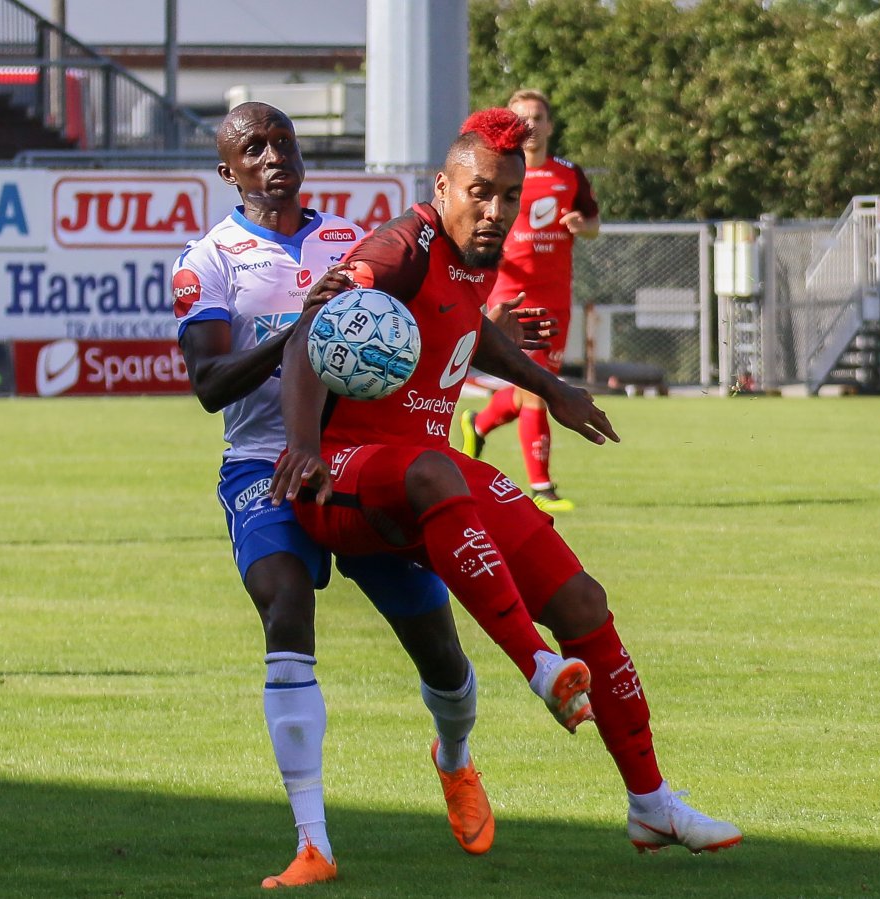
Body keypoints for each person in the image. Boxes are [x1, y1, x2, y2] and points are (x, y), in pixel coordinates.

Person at [273, 108, 742, 854]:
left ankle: (652, 803)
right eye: (481, 192)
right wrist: (301, 443)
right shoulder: (398, 248)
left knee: (583, 600)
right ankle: (539, 665)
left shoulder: (475, 255)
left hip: (423, 471)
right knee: (437, 471)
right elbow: (311, 331)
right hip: (341, 473)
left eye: (509, 196)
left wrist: (552, 388)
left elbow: (469, 326)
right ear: (443, 186)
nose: (496, 210)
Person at [172, 101, 593, 888]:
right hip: (265, 465)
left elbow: (450, 317)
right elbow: (208, 382)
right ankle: (313, 841)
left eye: (284, 141)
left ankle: (454, 757)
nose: (274, 156)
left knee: (440, 651)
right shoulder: (210, 260)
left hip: (361, 458)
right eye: (254, 148)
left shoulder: (352, 241)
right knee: (285, 606)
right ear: (229, 171)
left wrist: (537, 374)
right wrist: (301, 328)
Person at [459, 89, 600, 513]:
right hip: (512, 294)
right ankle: (542, 487)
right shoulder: (500, 173)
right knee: (538, 390)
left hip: (557, 296)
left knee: (531, 388)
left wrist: (582, 225)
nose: (531, 126)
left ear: (550, 125)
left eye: (538, 117)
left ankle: (478, 424)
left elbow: (593, 222)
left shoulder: (568, 174)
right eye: (522, 118)